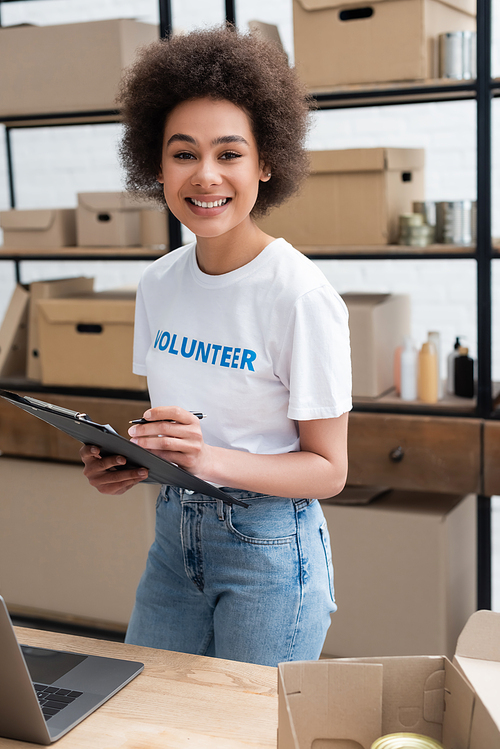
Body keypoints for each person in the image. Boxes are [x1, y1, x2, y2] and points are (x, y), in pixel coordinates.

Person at [80, 26, 352, 667]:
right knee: (144, 716)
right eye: (183, 154)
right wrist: (131, 457)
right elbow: (191, 424)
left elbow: (329, 471)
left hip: (269, 549)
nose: (206, 176)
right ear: (157, 165)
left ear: (266, 163)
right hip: (174, 537)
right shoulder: (159, 283)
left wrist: (206, 459)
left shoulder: (300, 297)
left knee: (243, 735)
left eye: (229, 154)